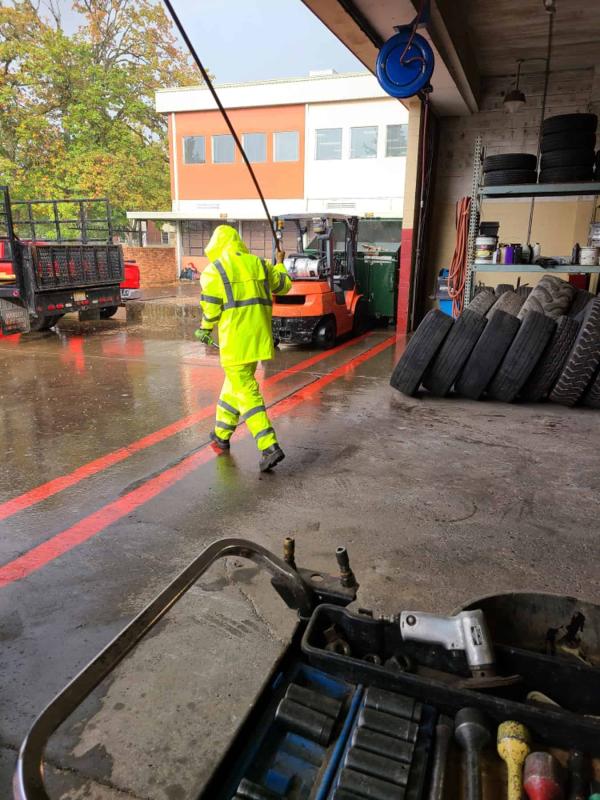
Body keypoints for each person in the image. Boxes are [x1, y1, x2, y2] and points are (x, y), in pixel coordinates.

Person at [197, 224, 292, 472]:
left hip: (235, 344)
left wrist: (204, 329)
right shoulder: (259, 264)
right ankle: (221, 434)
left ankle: (269, 445)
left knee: (247, 392)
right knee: (235, 387)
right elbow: (284, 285)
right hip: (258, 341)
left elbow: (211, 308)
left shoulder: (214, 271)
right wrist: (279, 263)